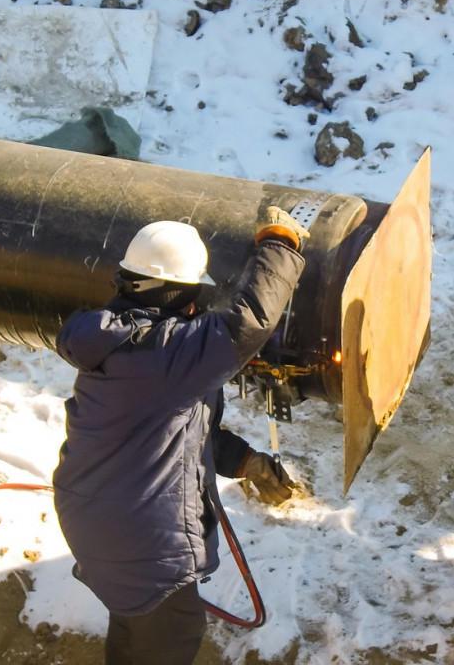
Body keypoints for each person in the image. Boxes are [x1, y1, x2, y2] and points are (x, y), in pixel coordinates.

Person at [52, 206, 309, 664]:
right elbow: (248, 319)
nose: (196, 306)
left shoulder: (116, 342)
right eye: (191, 294)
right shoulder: (166, 354)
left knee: (138, 624)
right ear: (174, 293)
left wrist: (243, 460)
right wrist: (280, 243)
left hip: (101, 521)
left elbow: (172, 433)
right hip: (143, 541)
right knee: (171, 636)